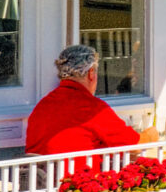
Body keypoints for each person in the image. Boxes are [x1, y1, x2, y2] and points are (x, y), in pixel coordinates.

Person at [25, 43, 157, 157]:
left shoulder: (43, 105)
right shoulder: (93, 109)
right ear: (91, 73)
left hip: (39, 183)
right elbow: (135, 145)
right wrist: (152, 134)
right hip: (75, 183)